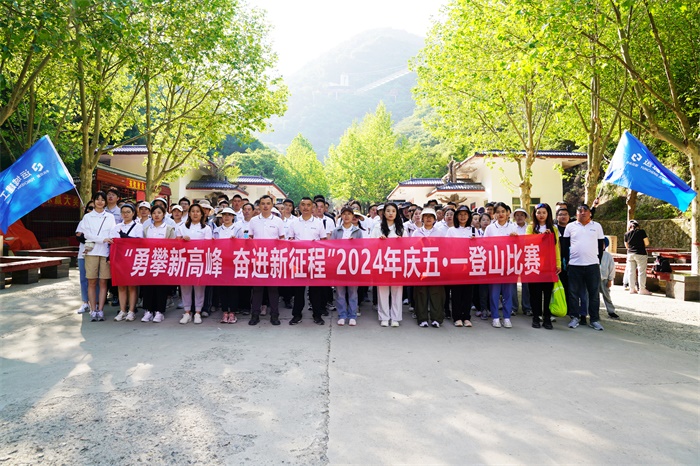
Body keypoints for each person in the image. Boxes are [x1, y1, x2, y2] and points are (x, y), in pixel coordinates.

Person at [562, 204, 606, 331]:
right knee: (573, 293)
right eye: (580, 211)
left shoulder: (597, 226)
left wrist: (598, 260)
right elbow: (564, 246)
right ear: (576, 214)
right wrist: (567, 261)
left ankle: (594, 319)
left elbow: (600, 246)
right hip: (575, 265)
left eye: (585, 210)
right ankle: (574, 317)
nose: (583, 213)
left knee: (594, 294)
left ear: (590, 213)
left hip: (592, 265)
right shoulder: (570, 226)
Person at [287, 197, 327, 325]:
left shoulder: (318, 223)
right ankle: (296, 315)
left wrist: (317, 244)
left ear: (312, 207)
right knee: (298, 291)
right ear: (299, 207)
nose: (305, 207)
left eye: (308, 205)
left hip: (314, 260)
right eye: (303, 205)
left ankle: (317, 315)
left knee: (315, 290)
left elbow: (324, 241)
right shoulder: (293, 223)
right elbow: (289, 240)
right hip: (298, 260)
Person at [248, 195, 286, 326]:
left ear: (272, 205)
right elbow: (250, 238)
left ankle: (274, 315)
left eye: (268, 203)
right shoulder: (253, 221)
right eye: (263, 203)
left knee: (273, 289)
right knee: (257, 289)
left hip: (273, 259)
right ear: (259, 205)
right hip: (258, 259)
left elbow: (282, 239)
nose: (265, 206)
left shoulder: (278, 221)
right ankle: (255, 314)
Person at [525, 203, 561, 330]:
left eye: (544, 213)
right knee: (535, 293)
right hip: (534, 264)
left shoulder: (554, 229)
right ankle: (536, 317)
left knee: (547, 292)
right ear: (534, 214)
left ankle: (547, 317)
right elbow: (527, 242)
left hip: (548, 265)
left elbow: (556, 247)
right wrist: (542, 237)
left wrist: (558, 263)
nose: (541, 215)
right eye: (538, 212)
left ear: (548, 214)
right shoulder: (530, 227)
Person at [83, 191, 117, 321]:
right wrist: (102, 239)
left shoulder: (110, 217)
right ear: (93, 200)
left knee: (103, 282)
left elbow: (113, 233)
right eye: (97, 199)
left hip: (105, 253)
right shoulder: (87, 217)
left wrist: (107, 239)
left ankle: (101, 309)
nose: (100, 202)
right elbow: (87, 235)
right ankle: (93, 309)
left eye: (103, 200)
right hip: (91, 252)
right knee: (91, 282)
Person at [483, 202, 518, 328]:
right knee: (494, 293)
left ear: (507, 213)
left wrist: (515, 239)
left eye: (503, 211)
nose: (501, 214)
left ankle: (507, 317)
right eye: (498, 212)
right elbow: (484, 245)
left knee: (508, 292)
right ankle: (495, 317)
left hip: (509, 264)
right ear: (494, 214)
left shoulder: (513, 227)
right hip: (494, 265)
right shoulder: (490, 228)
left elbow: (518, 246)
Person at [177, 203, 213, 324]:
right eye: (193, 211)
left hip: (200, 261)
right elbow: (176, 244)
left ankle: (198, 312)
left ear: (202, 214)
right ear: (189, 213)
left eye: (198, 211)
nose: (195, 214)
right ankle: (187, 312)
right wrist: (183, 241)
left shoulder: (206, 229)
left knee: (199, 287)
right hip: (185, 261)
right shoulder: (182, 227)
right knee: (185, 287)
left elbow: (208, 246)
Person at [370, 202, 405, 327]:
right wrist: (379, 241)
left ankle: (395, 317)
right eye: (388, 211)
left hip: (397, 263)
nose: (391, 213)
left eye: (393, 211)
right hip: (382, 262)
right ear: (383, 213)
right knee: (382, 291)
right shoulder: (377, 227)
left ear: (397, 213)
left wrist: (401, 242)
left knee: (397, 291)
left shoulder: (401, 228)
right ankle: (384, 317)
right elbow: (370, 244)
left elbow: (408, 246)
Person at [107, 203, 143, 322]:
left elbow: (139, 242)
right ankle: (122, 310)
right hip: (119, 258)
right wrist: (109, 257)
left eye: (128, 212)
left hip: (132, 259)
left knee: (132, 286)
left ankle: (131, 311)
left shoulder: (138, 226)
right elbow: (112, 244)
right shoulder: (116, 227)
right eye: (123, 212)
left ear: (133, 213)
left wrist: (125, 238)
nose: (125, 214)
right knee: (121, 285)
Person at [141, 205, 176, 323]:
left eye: (159, 213)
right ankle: (148, 310)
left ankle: (159, 311)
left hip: (163, 261)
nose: (156, 215)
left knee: (161, 287)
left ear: (164, 214)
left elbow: (173, 246)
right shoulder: (147, 229)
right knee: (148, 286)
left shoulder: (169, 229)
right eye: (154, 213)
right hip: (149, 261)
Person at [413, 207, 446, 328]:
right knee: (421, 292)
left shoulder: (440, 233)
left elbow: (444, 248)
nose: (428, 218)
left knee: (436, 292)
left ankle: (436, 318)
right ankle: (422, 318)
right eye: (426, 216)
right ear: (422, 218)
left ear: (435, 219)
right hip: (421, 266)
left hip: (435, 266)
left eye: (431, 216)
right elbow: (412, 248)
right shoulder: (416, 232)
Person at [331, 206, 363, 326]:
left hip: (353, 265)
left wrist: (353, 243)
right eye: (344, 214)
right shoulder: (336, 231)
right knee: (340, 292)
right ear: (341, 216)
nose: (347, 216)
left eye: (349, 214)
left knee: (353, 292)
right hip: (339, 266)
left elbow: (361, 248)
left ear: (353, 216)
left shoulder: (357, 231)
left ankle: (352, 315)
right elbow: (332, 247)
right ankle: (342, 315)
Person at [446, 205, 478, 327]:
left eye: (465, 214)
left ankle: (466, 317)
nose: (463, 217)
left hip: (470, 265)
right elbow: (447, 246)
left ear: (469, 216)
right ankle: (457, 317)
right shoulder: (451, 230)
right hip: (456, 265)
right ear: (456, 216)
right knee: (456, 293)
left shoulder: (474, 230)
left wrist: (475, 242)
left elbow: (481, 247)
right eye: (460, 214)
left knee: (468, 293)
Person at [214, 207, 239, 324]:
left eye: (229, 215)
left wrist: (236, 241)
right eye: (224, 215)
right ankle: (225, 311)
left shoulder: (238, 229)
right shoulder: (216, 230)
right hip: (221, 262)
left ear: (233, 217)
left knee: (233, 288)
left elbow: (244, 244)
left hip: (234, 263)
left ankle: (232, 312)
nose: (227, 217)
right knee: (222, 288)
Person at [75, 201, 97, 314]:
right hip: (83, 254)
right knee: (84, 278)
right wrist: (93, 238)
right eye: (90, 208)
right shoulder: (83, 221)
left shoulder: (103, 221)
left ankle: (95, 302)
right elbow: (79, 236)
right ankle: (85, 302)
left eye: (94, 208)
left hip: (97, 253)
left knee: (96, 280)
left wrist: (89, 237)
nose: (91, 210)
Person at [624, 220, 651, 295]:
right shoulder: (641, 232)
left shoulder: (626, 234)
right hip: (640, 253)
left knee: (631, 272)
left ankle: (632, 289)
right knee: (641, 272)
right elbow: (647, 243)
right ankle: (642, 289)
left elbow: (626, 246)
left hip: (630, 254)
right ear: (638, 226)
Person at [600, 237, 619, 319]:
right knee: (593, 297)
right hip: (594, 278)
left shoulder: (608, 256)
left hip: (604, 279)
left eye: (602, 244)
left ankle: (611, 311)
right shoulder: (593, 254)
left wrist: (610, 279)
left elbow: (611, 268)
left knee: (607, 296)